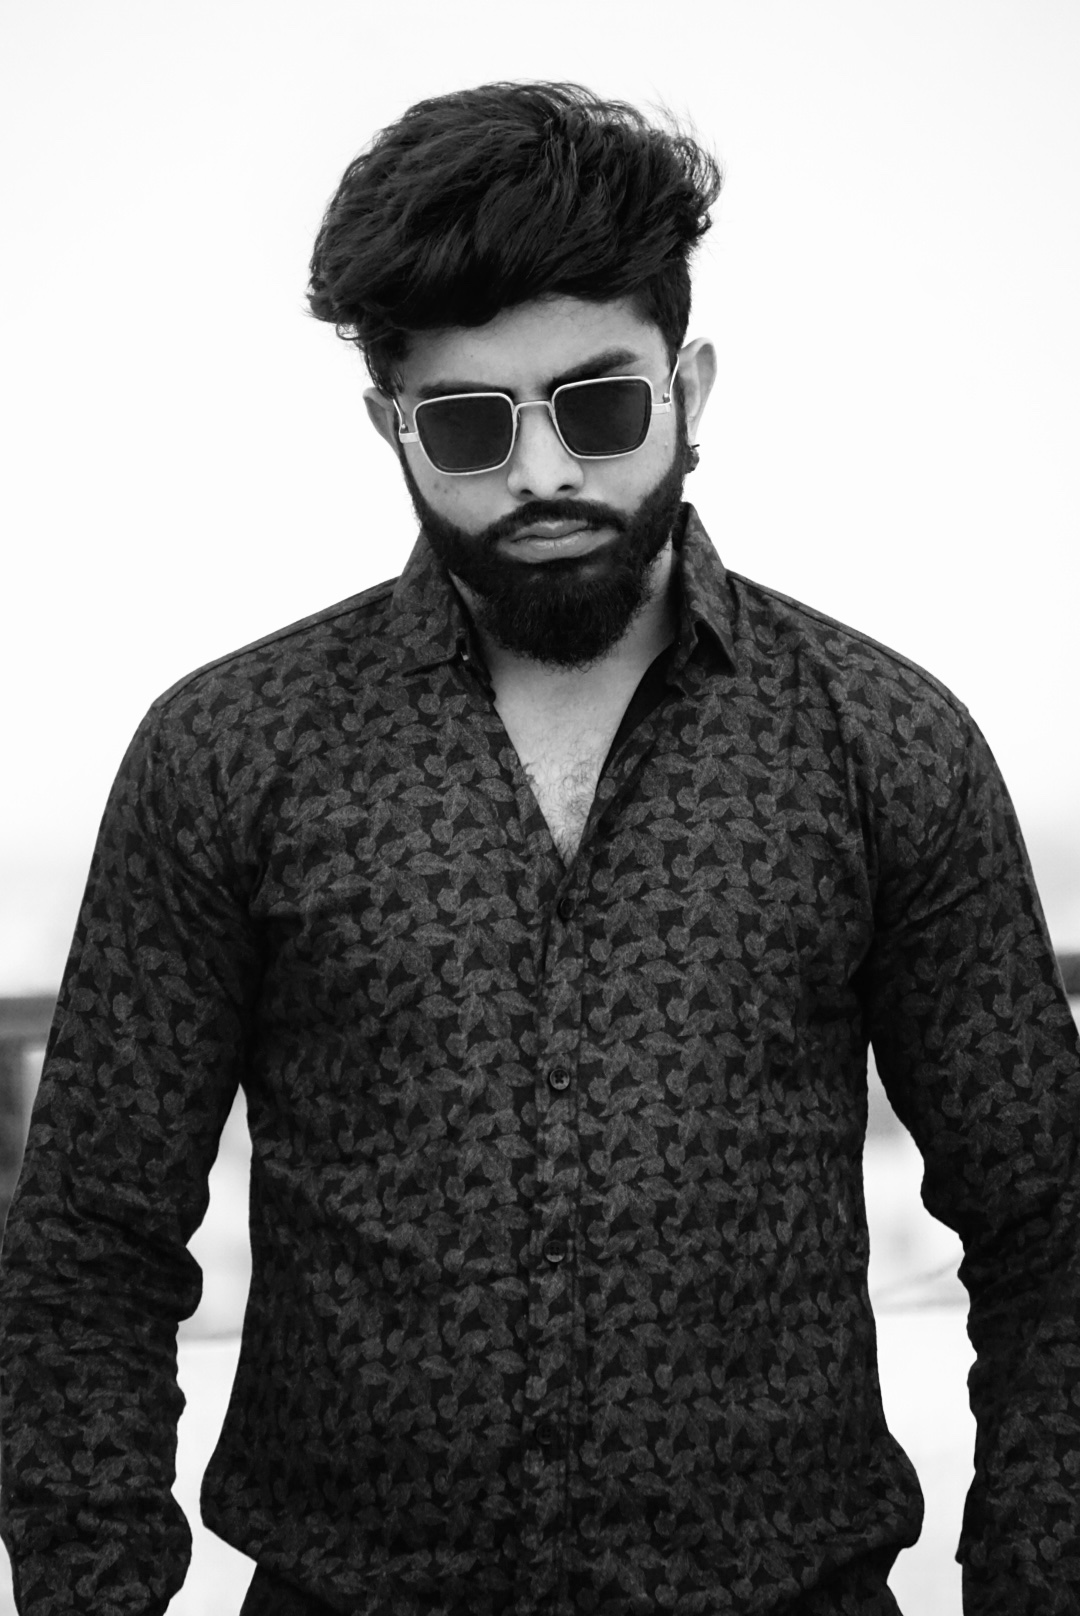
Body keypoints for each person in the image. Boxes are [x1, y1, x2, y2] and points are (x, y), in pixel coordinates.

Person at [1, 80, 1078, 1616]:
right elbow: (90, 1252)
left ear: (689, 387)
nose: (546, 472)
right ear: (389, 427)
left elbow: (1048, 1233)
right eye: (467, 423)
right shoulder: (228, 753)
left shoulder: (883, 745)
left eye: (600, 406)